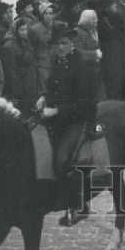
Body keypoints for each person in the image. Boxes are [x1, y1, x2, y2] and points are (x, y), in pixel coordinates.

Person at [38, 25, 97, 226]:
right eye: (58, 44)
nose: (61, 47)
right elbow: (54, 87)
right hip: (58, 117)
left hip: (78, 119)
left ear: (72, 44)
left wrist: (56, 111)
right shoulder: (58, 61)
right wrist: (44, 97)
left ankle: (79, 205)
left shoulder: (81, 66)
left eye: (64, 43)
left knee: (63, 159)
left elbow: (84, 103)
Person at [1, 18, 41, 117]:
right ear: (15, 30)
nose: (24, 32)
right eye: (21, 30)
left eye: (25, 29)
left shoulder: (26, 42)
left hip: (29, 80)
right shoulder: (9, 46)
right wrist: (16, 89)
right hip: (19, 82)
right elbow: (10, 70)